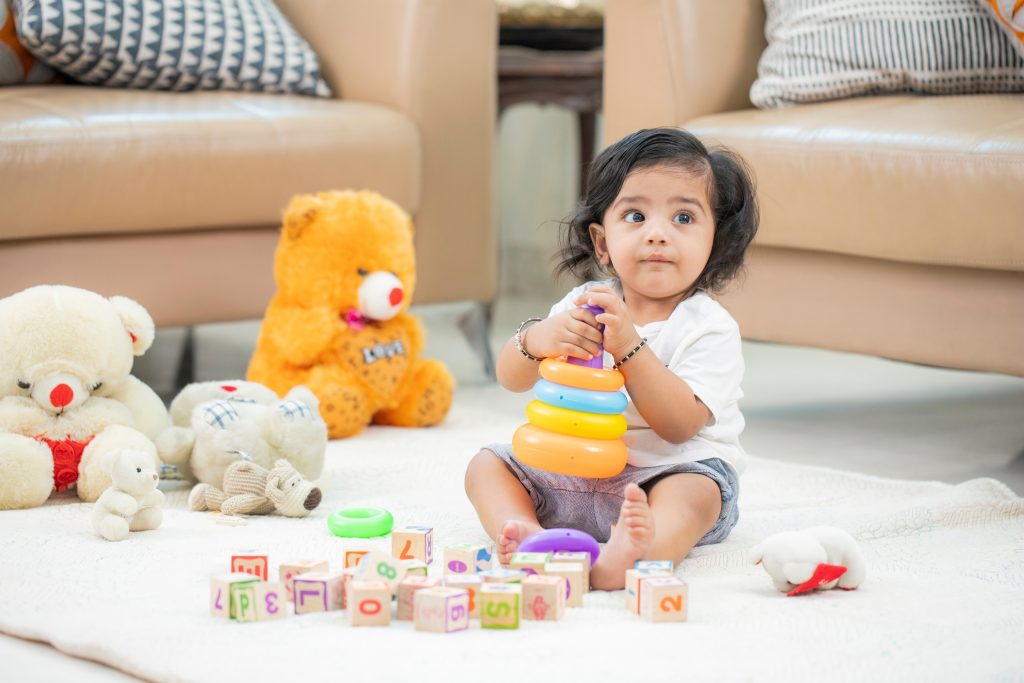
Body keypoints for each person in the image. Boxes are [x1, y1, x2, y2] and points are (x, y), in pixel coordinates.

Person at [464, 127, 760, 589]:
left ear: (714, 241)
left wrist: (629, 348)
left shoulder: (708, 326)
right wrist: (539, 338)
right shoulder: (585, 302)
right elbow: (511, 377)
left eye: (683, 218)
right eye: (636, 216)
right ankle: (526, 532)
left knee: (697, 495)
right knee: (486, 465)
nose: (658, 235)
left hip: (664, 475)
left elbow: (680, 425)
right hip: (570, 470)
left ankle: (634, 554)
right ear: (602, 243)